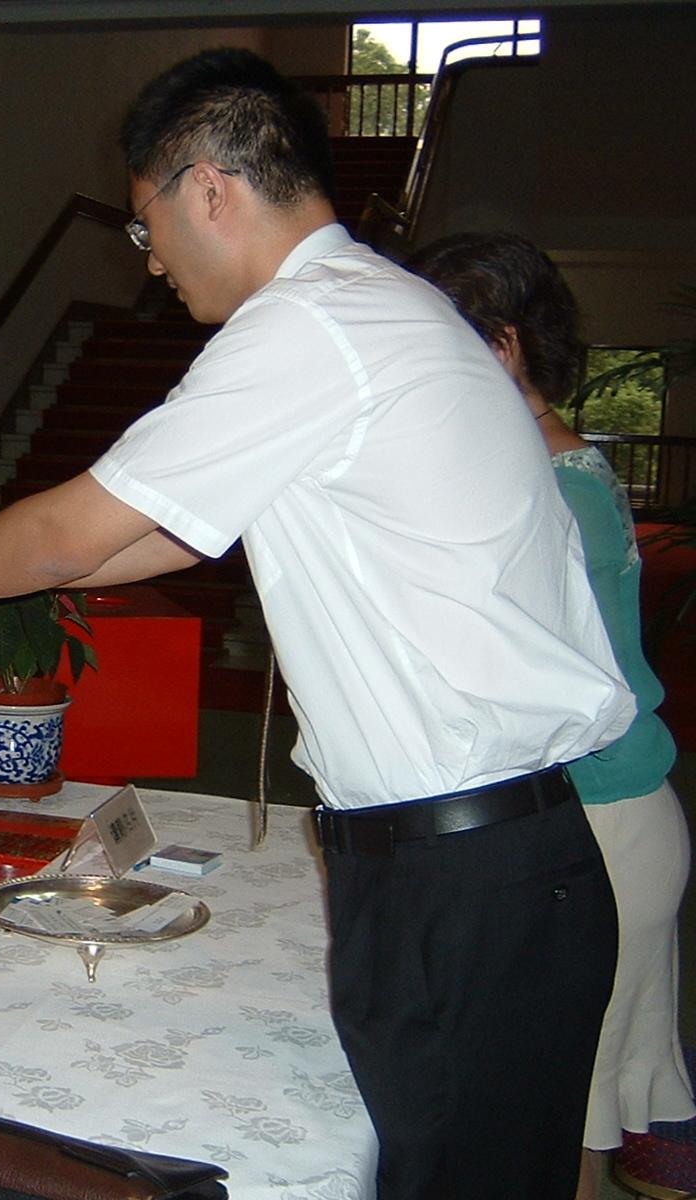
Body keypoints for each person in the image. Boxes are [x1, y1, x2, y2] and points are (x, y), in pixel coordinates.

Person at [0, 48, 636, 1200]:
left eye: (145, 226)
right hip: (480, 866)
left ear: (206, 187)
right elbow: (165, 531)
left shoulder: (313, 326)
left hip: (466, 877)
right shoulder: (367, 315)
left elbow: (72, 532)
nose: (148, 263)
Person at [409, 231, 695, 1200]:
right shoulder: (547, 466)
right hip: (609, 814)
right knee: (575, 1105)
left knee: (562, 1115)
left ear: (502, 347)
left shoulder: (548, 486)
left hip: (601, 822)